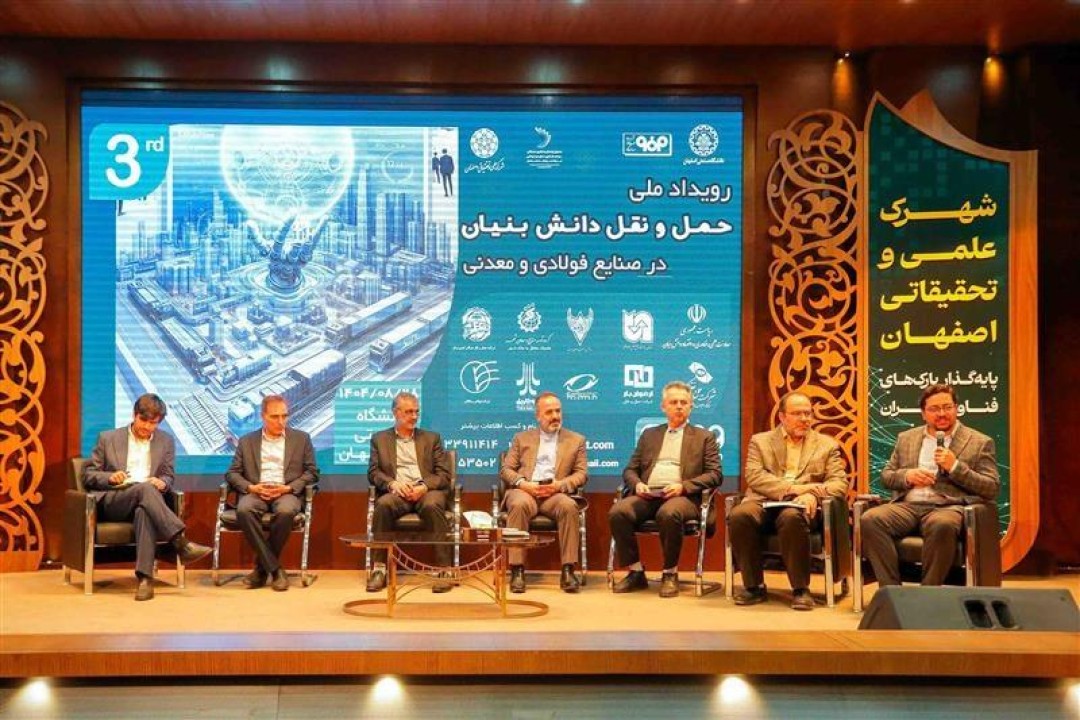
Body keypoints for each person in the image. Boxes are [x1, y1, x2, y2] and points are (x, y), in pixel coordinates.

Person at [860, 383, 999, 588]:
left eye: (947, 407)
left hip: (948, 507)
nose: (942, 414)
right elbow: (886, 477)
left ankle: (928, 593)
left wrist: (955, 467)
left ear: (957, 409)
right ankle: (892, 591)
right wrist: (907, 476)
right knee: (870, 519)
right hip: (908, 506)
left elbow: (991, 487)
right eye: (934, 409)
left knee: (941, 524)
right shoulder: (906, 438)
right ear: (923, 414)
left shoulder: (979, 442)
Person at [82, 393, 211, 601]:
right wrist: (110, 478)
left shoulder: (165, 441)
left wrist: (163, 483)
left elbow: (168, 475)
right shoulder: (108, 438)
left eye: (153, 423)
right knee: (144, 489)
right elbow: (89, 475)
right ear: (134, 415)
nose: (147, 427)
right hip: (116, 500)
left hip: (148, 502)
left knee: (145, 510)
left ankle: (145, 579)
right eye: (144, 421)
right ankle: (180, 542)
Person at [727, 391, 848, 610]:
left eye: (808, 413)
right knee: (740, 515)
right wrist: (793, 488)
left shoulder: (827, 445)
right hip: (764, 500)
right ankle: (754, 586)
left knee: (792, 517)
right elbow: (754, 476)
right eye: (797, 414)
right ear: (782, 416)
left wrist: (812, 494)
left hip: (801, 506)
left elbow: (839, 483)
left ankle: (801, 589)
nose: (804, 419)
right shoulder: (760, 441)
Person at [608, 381, 722, 597]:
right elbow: (630, 469)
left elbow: (715, 475)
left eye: (684, 402)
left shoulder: (704, 437)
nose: (679, 406)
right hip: (649, 494)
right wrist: (637, 484)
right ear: (663, 407)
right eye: (673, 402)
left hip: (683, 498)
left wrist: (683, 487)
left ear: (691, 407)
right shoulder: (649, 434)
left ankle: (670, 573)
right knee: (618, 512)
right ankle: (636, 571)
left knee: (669, 513)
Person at [225, 394, 319, 592]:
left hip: (286, 492)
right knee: (244, 510)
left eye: (284, 416)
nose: (281, 421)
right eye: (275, 417)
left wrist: (288, 488)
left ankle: (261, 569)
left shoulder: (301, 439)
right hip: (256, 491)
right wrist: (251, 488)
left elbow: (312, 472)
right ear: (263, 416)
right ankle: (275, 570)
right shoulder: (247, 441)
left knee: (286, 511)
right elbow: (232, 473)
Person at [499, 392, 588, 594]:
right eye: (549, 412)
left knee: (569, 506)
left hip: (554, 494)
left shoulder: (576, 440)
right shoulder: (521, 438)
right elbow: (506, 470)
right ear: (538, 416)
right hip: (526, 491)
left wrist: (559, 485)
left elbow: (581, 474)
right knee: (519, 504)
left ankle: (568, 570)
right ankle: (517, 570)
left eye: (558, 411)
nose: (555, 416)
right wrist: (524, 484)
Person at [367, 391, 454, 593]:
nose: (414, 416)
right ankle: (379, 569)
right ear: (395, 413)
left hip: (426, 491)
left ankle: (444, 569)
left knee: (432, 505)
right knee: (383, 505)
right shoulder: (379, 439)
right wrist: (392, 484)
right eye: (408, 412)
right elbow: (373, 472)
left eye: (416, 412)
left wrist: (423, 486)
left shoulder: (432, 439)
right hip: (398, 492)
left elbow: (444, 475)